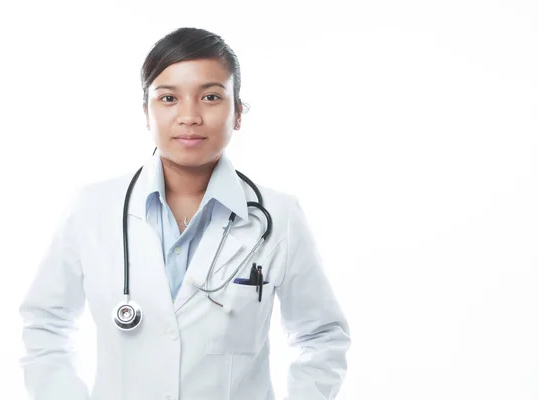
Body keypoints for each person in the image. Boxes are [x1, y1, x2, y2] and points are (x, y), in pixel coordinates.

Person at [18, 27, 351, 400]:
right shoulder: (92, 209)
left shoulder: (279, 216)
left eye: (210, 96)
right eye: (168, 98)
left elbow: (321, 337)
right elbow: (45, 324)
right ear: (146, 111)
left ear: (238, 112)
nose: (189, 116)